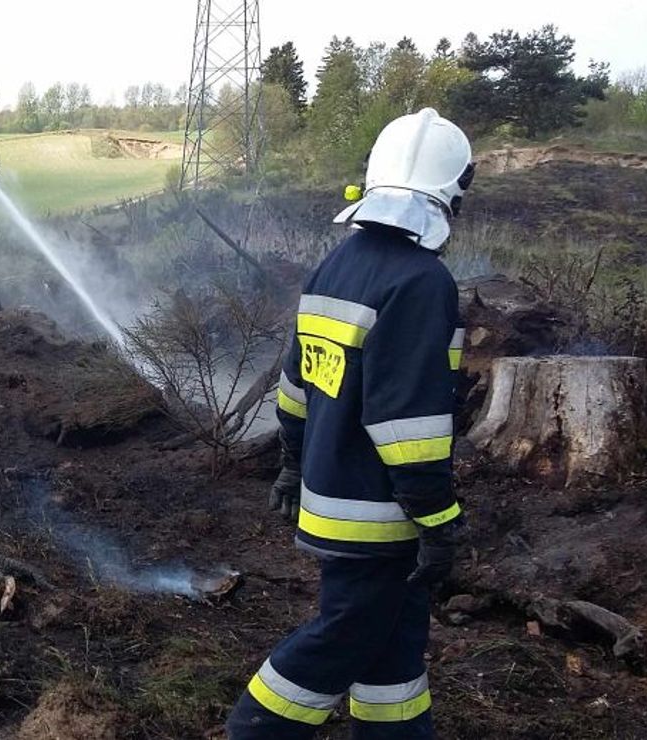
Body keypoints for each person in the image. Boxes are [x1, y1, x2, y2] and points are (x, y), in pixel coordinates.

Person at [228, 108, 474, 740]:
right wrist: (439, 521)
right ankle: (254, 728)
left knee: (395, 644)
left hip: (331, 495)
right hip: (380, 513)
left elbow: (296, 384)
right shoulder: (422, 282)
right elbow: (408, 425)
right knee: (341, 637)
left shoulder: (335, 266)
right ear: (451, 193)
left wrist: (290, 461)